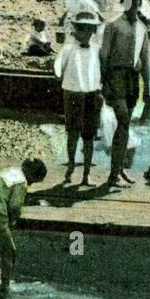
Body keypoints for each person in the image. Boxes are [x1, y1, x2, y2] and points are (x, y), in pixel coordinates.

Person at [99, 0, 150, 187]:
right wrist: (102, 82)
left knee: (125, 125)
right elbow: (103, 56)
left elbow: (145, 60)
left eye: (136, 3)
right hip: (115, 76)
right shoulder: (113, 26)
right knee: (123, 120)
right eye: (129, 3)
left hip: (132, 79)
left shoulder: (142, 28)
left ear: (139, 4)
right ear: (124, 4)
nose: (133, 7)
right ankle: (114, 174)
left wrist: (148, 88)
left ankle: (118, 170)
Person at [0, 158, 47, 295]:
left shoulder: (10, 172)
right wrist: (12, 222)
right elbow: (15, 206)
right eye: (34, 181)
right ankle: (5, 286)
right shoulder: (21, 182)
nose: (32, 184)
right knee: (9, 251)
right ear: (32, 175)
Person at [54, 12, 103, 186]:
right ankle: (71, 168)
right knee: (73, 134)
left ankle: (87, 173)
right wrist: (63, 77)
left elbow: (101, 69)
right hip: (73, 94)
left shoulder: (97, 48)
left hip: (92, 94)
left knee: (89, 135)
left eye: (90, 30)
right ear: (76, 30)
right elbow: (58, 68)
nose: (87, 33)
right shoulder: (68, 48)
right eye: (83, 29)